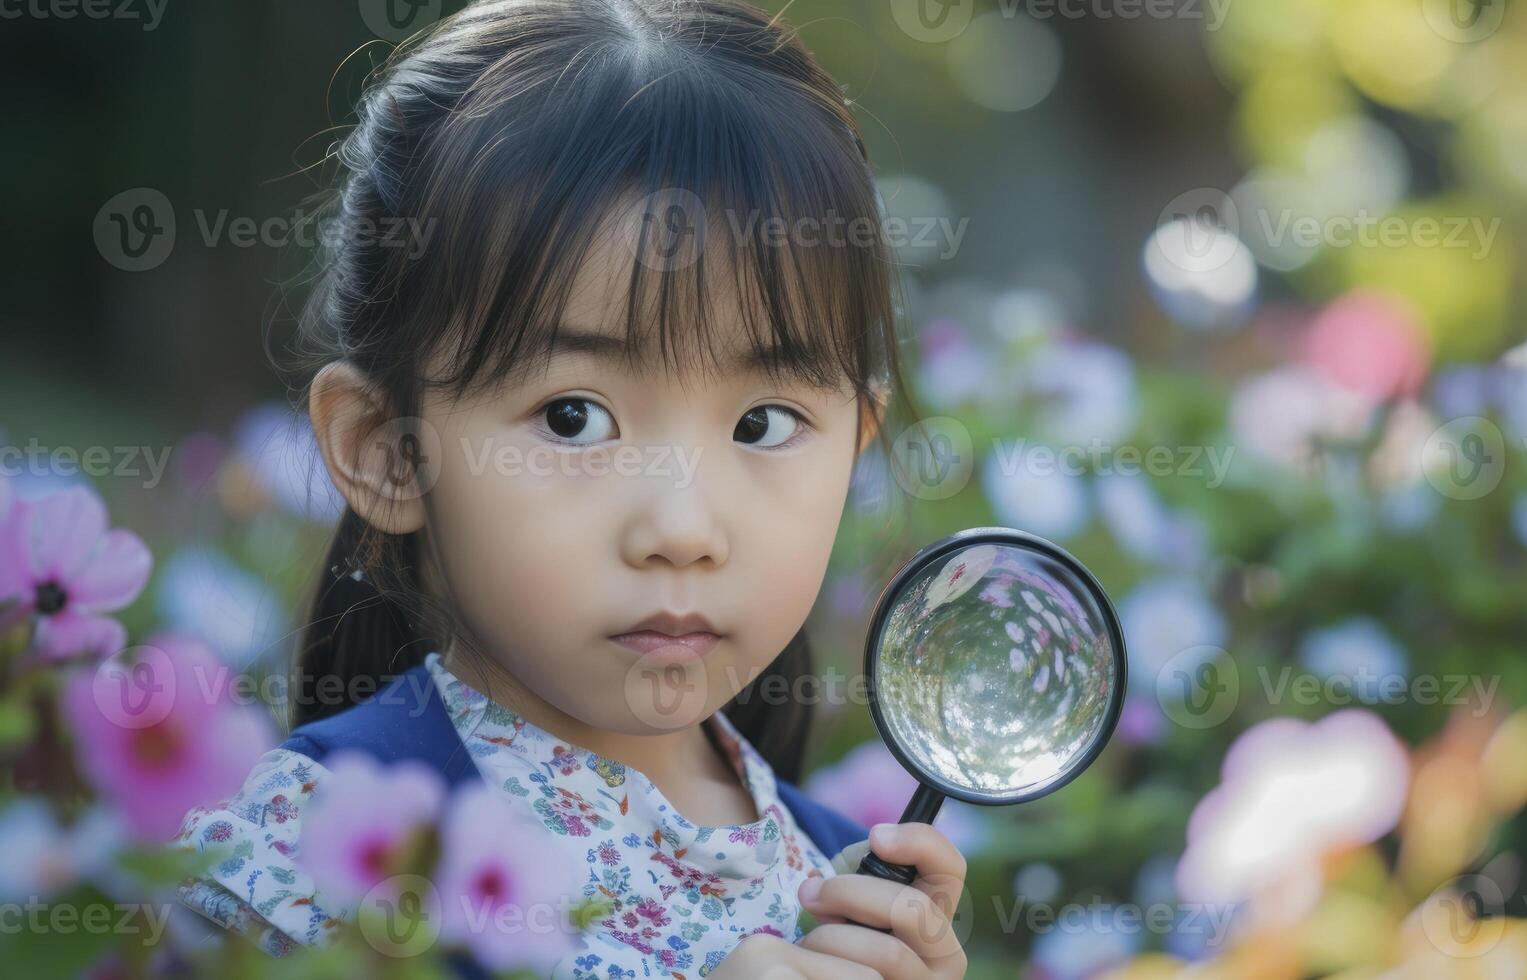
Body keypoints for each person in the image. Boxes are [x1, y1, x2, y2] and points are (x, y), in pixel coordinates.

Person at [172, 2, 968, 976]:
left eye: (762, 424)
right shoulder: (319, 854)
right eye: (573, 416)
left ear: (855, 446)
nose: (683, 527)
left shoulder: (840, 876)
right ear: (386, 447)